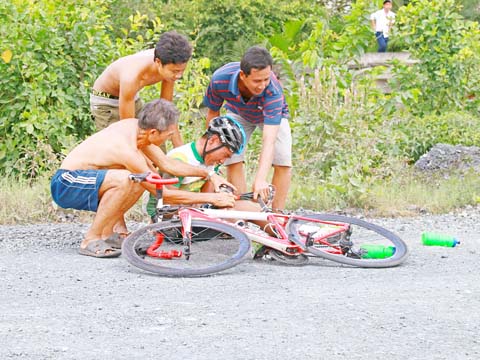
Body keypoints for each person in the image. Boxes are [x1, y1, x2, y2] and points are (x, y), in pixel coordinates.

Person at [51, 99, 235, 258]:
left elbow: (167, 164)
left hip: (88, 180)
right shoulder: (126, 150)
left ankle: (106, 235)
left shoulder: (137, 129)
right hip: (67, 182)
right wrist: (212, 198)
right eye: (169, 135)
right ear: (154, 133)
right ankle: (90, 239)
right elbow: (165, 194)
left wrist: (210, 174)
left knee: (142, 179)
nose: (170, 139)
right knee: (128, 179)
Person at [203, 46, 291, 211]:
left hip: (271, 117)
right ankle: (241, 212)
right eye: (257, 81)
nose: (262, 85)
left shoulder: (272, 91)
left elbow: (269, 140)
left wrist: (260, 179)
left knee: (283, 160)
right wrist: (211, 153)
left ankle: (278, 217)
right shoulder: (220, 79)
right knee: (232, 157)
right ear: (243, 76)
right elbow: (213, 115)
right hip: (238, 111)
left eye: (266, 79)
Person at [90, 30, 192, 146]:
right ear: (158, 62)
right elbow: (127, 128)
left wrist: (180, 150)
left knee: (157, 132)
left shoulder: (168, 64)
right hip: (106, 102)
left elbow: (167, 110)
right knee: (122, 145)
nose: (179, 76)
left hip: (131, 97)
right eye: (175, 71)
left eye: (182, 71)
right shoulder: (131, 76)